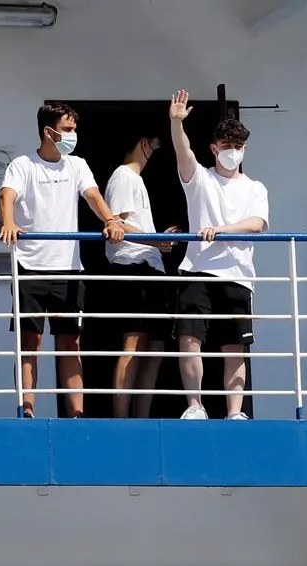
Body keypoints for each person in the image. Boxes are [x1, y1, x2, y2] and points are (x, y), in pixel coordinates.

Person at [0, 100, 127, 418]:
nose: (73, 135)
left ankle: (77, 413)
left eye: (74, 129)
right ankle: (26, 408)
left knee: (71, 341)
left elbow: (92, 195)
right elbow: (7, 195)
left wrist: (110, 220)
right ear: (48, 131)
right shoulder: (23, 165)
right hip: (30, 265)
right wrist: (8, 222)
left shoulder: (77, 165)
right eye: (68, 130)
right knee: (31, 340)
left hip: (69, 268)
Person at [168, 90, 269, 420]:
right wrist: (176, 123)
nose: (233, 152)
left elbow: (258, 223)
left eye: (238, 147)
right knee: (189, 340)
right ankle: (195, 405)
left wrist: (223, 229)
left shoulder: (255, 188)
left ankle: (234, 412)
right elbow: (183, 154)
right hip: (198, 270)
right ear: (214, 148)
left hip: (238, 276)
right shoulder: (200, 180)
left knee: (235, 347)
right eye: (227, 147)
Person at [103, 134, 178, 419]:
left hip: (150, 266)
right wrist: (155, 241)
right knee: (133, 343)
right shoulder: (123, 176)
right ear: (143, 144)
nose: (154, 153)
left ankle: (142, 418)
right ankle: (122, 419)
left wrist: (158, 242)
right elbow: (116, 224)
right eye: (155, 146)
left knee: (155, 348)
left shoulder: (136, 180)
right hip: (132, 265)